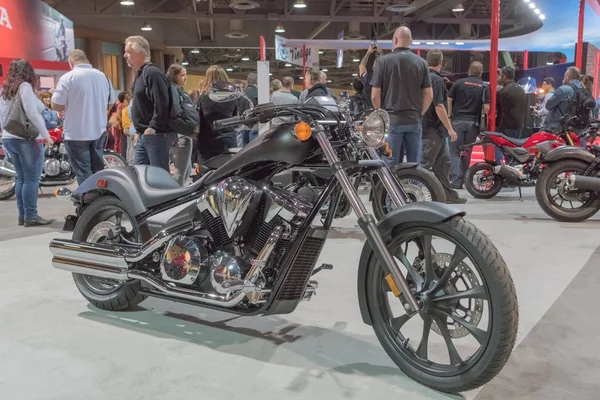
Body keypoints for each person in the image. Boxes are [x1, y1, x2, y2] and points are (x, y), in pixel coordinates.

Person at [0, 59, 54, 226]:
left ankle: (23, 215)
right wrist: (46, 135)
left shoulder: (5, 88)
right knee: (31, 179)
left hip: (9, 137)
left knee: (22, 178)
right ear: (28, 72)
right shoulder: (24, 87)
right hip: (26, 139)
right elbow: (32, 112)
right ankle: (31, 216)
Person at [51, 49, 115, 185]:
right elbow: (111, 102)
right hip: (99, 131)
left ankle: (88, 202)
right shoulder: (104, 77)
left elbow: (56, 105)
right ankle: (100, 200)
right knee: (98, 169)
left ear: (71, 61)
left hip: (76, 134)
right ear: (87, 60)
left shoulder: (68, 78)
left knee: (83, 171)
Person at [371, 26, 433, 165]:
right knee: (414, 164)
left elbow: (375, 95)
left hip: (392, 121)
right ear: (410, 40)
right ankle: (412, 186)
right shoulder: (422, 63)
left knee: (390, 161)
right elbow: (429, 94)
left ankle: (390, 187)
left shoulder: (383, 61)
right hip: (414, 121)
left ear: (395, 39)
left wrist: (381, 115)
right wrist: (420, 113)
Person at [421, 50, 466, 204]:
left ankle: (447, 194)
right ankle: (419, 194)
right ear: (441, 62)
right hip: (433, 128)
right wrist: (450, 129)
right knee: (425, 164)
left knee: (443, 162)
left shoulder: (422, 77)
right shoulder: (437, 81)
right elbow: (439, 107)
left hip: (429, 127)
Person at [124, 36, 171, 172]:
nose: (125, 55)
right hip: (144, 135)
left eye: (129, 52)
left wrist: (153, 127)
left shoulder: (152, 73)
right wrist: (140, 131)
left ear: (141, 53)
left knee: (159, 176)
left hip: (154, 135)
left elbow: (162, 103)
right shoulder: (141, 74)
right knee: (140, 174)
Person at [447, 61, 490, 189]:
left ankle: (456, 181)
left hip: (457, 121)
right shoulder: (484, 86)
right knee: (467, 152)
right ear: (481, 73)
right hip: (473, 123)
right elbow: (486, 108)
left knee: (454, 152)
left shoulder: (459, 83)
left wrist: (449, 116)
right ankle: (465, 179)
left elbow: (449, 99)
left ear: (469, 71)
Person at [197, 65, 240, 161]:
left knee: (207, 173)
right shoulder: (232, 96)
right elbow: (235, 116)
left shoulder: (203, 97)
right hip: (228, 140)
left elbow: (199, 120)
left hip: (207, 141)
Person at [167, 63, 193, 186]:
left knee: (186, 170)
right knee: (181, 172)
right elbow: (176, 113)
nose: (185, 78)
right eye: (182, 75)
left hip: (182, 134)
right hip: (181, 134)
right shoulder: (175, 93)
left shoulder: (176, 92)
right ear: (175, 76)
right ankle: (176, 196)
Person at [495, 66, 526, 163]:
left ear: (503, 76)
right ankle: (513, 168)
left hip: (505, 125)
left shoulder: (502, 92)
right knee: (514, 149)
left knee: (500, 147)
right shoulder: (521, 89)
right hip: (519, 125)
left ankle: (500, 167)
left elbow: (497, 109)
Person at [545, 66, 585, 132]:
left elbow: (548, 105)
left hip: (558, 129)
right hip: (578, 128)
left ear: (568, 76)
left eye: (564, 76)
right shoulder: (582, 89)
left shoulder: (563, 89)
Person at [239, 72, 259, 145]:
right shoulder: (259, 93)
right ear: (257, 80)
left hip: (243, 124)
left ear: (247, 80)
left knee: (244, 149)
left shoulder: (241, 93)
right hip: (255, 124)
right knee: (252, 149)